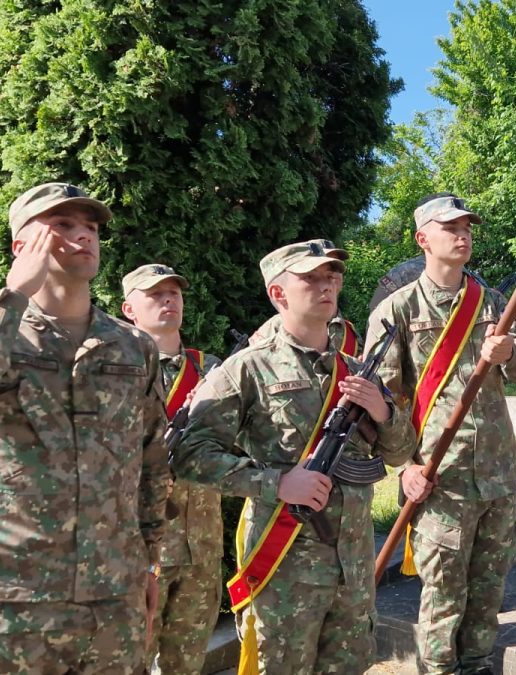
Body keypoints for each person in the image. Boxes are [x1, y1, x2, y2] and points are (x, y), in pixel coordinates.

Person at [0, 182, 168, 673]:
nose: (83, 236)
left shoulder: (134, 347)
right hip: (15, 595)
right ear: (21, 245)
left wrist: (147, 562)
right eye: (62, 225)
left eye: (89, 227)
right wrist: (13, 297)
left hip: (115, 591)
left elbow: (152, 460)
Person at [171, 241, 414, 672]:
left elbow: (400, 452)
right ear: (278, 294)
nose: (327, 285)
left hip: (353, 569)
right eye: (311, 277)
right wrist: (276, 483)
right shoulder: (246, 369)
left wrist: (381, 410)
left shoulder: (357, 371)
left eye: (331, 276)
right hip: (285, 569)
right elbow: (190, 454)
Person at [367, 193, 516, 674]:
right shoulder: (397, 310)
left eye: (466, 227)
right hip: (441, 476)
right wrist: (404, 468)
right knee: (444, 591)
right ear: (423, 238)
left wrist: (508, 354)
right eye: (450, 227)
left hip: (498, 471)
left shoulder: (492, 303)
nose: (462, 235)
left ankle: (480, 664)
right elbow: (382, 402)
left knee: (489, 587)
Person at [120, 263, 222, 675]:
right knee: (132, 659)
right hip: (142, 547)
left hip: (202, 545)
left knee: (188, 661)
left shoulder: (212, 369)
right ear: (129, 309)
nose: (168, 300)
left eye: (174, 293)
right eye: (155, 294)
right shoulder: (117, 370)